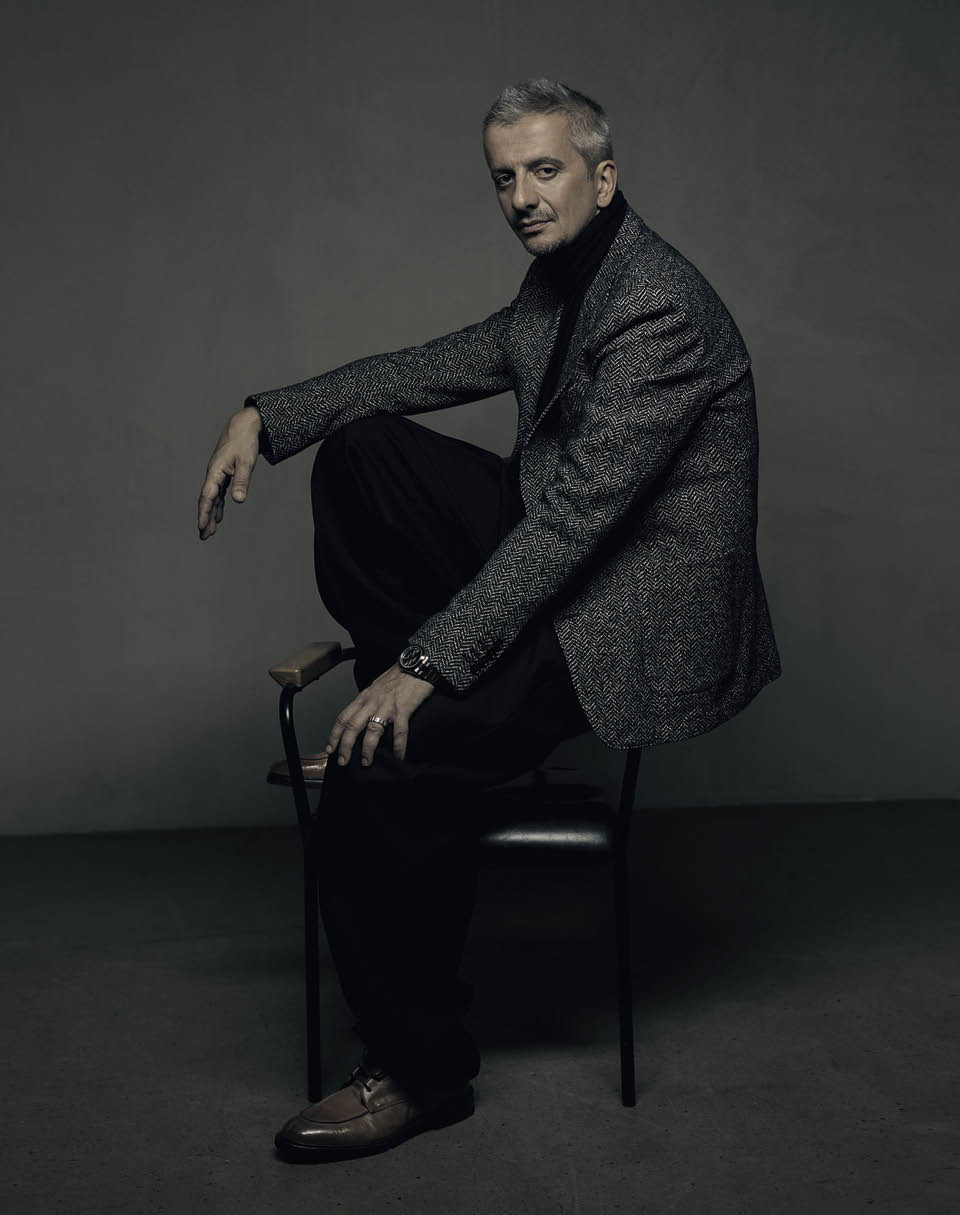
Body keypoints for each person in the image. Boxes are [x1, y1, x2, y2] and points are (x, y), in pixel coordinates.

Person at [197, 78, 781, 1161]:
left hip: (626, 613)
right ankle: (402, 712)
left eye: (545, 170)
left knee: (383, 780)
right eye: (504, 177)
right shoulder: (561, 280)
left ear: (604, 177)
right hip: (567, 555)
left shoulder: (660, 308)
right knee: (364, 450)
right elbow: (438, 364)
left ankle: (418, 1073)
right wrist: (267, 415)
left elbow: (573, 526)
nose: (521, 196)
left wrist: (427, 662)